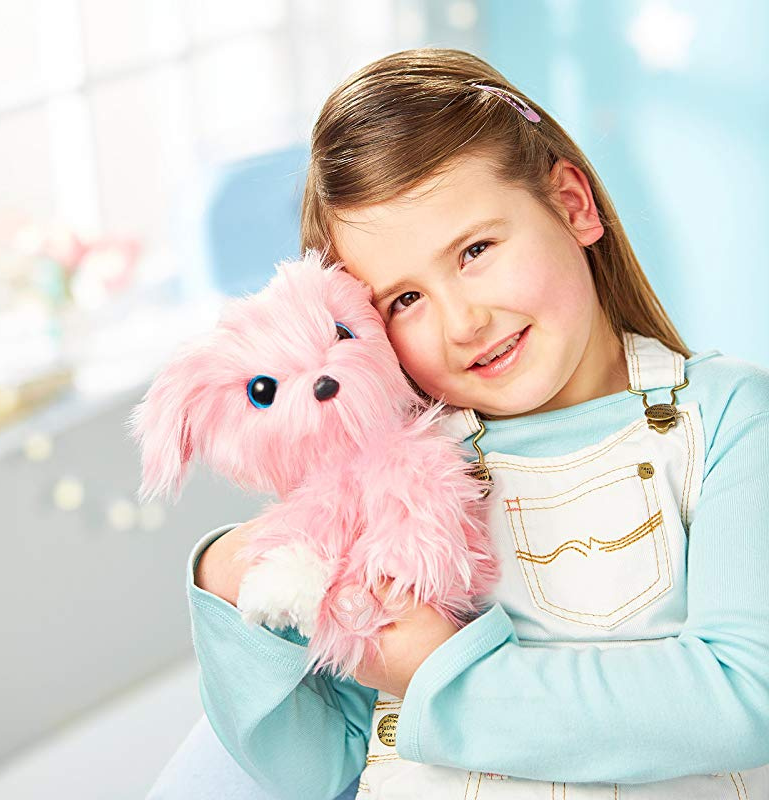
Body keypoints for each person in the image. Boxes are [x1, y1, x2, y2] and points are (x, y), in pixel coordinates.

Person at [148, 48, 769, 799]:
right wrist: (225, 586)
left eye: (475, 250)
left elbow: (742, 696)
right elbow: (317, 767)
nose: (463, 322)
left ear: (572, 204)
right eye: (405, 300)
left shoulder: (725, 417)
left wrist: (441, 680)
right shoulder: (403, 481)